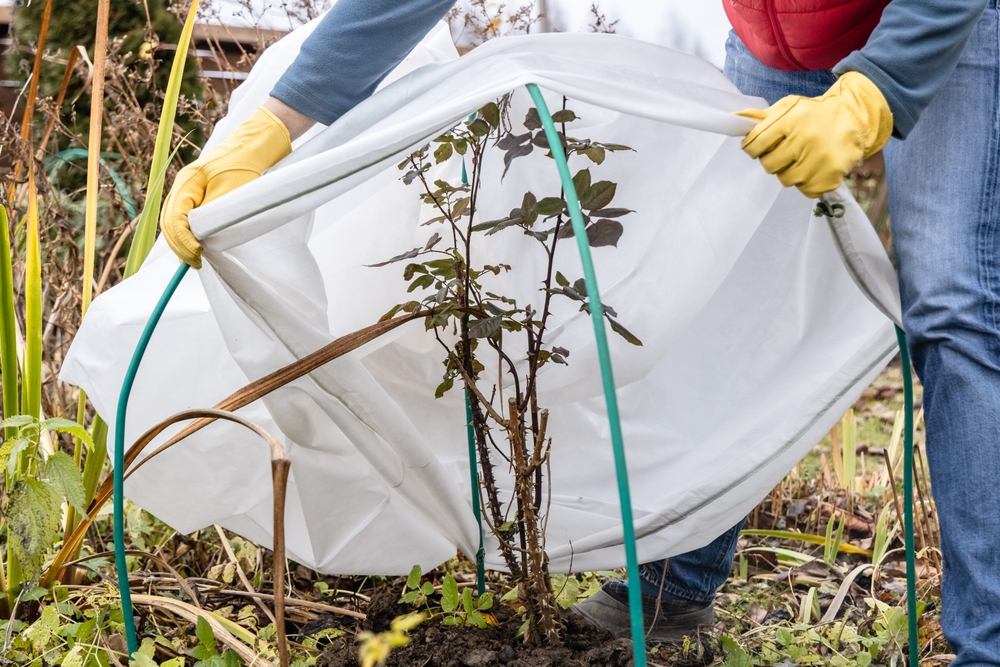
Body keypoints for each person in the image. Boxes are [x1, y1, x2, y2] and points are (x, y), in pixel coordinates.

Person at [161, 0, 1000, 661]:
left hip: (944, 19)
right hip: (777, 32)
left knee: (952, 301)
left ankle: (986, 642)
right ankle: (673, 588)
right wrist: (277, 122)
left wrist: (878, 88)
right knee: (720, 272)